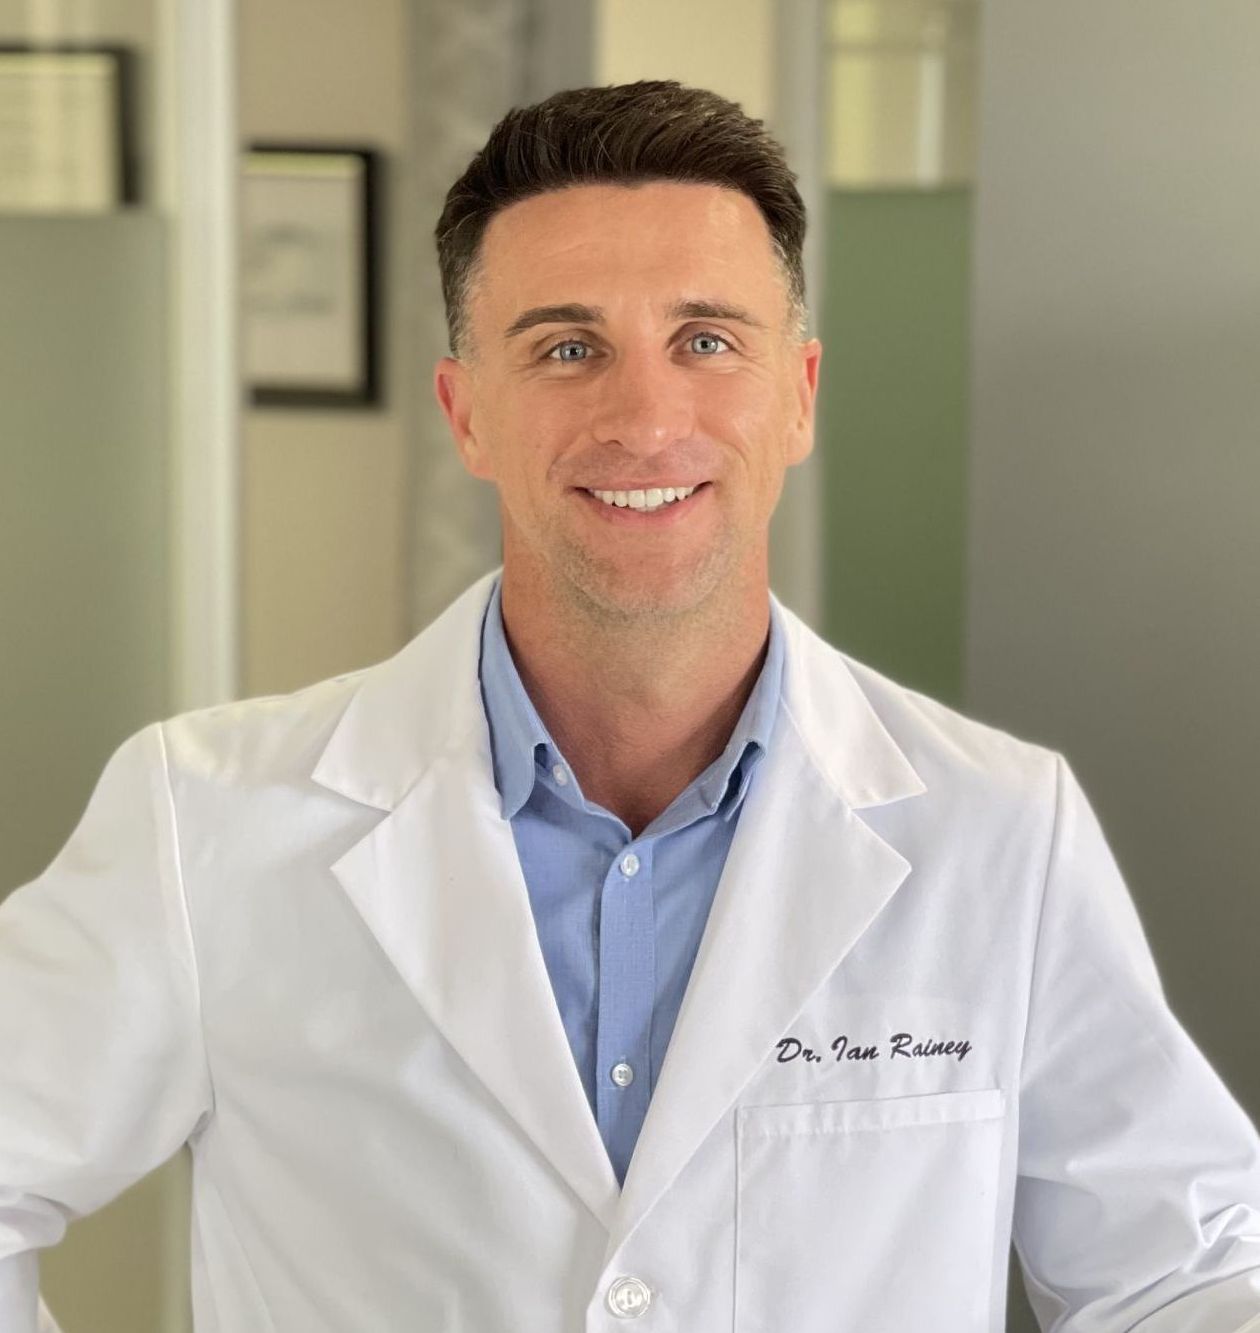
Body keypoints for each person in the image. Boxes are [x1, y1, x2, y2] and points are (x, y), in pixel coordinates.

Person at [2, 80, 1259, 1333]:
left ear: (800, 395)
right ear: (467, 414)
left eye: (707, 341)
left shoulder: (999, 829)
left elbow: (1184, 1270)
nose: (646, 417)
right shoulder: (208, 819)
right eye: (566, 348)